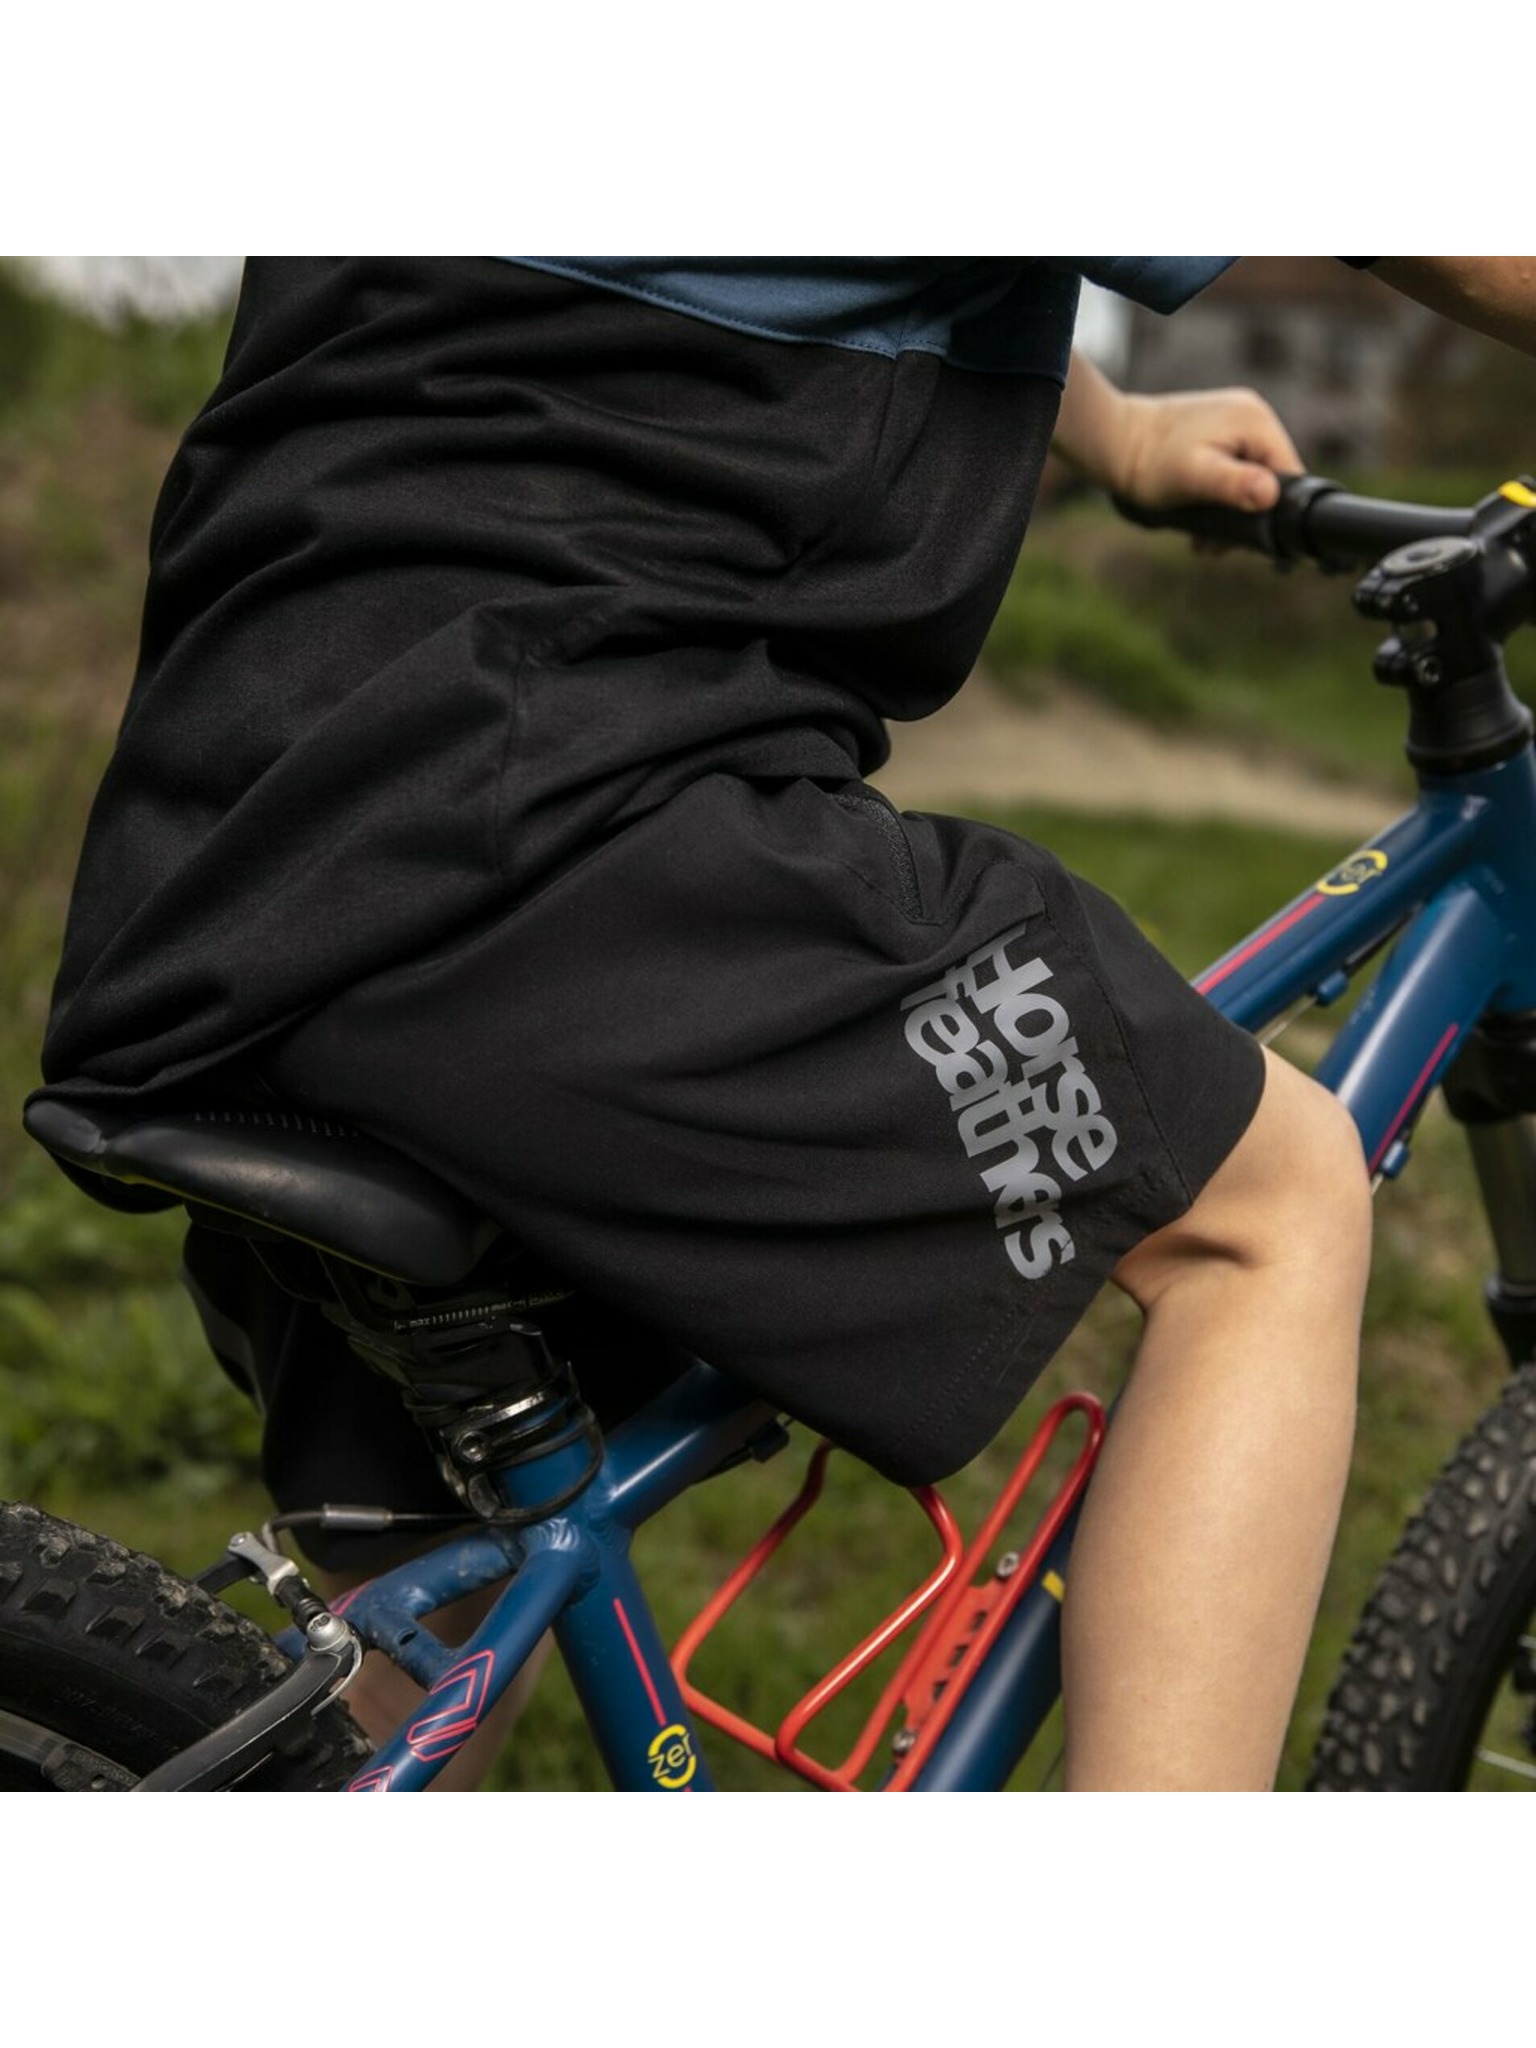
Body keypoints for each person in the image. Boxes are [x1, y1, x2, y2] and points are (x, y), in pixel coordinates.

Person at [28, 257, 1536, 1790]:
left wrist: (1116, 430)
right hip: (539, 824)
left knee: (444, 1597)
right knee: (1267, 1206)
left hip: (241, 850)